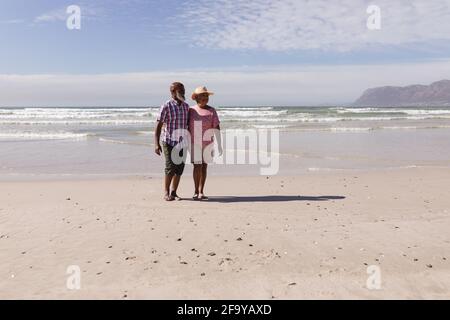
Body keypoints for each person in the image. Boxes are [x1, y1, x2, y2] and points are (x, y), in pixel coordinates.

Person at [154, 82, 189, 201]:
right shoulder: (166, 106)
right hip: (168, 140)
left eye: (183, 90)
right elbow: (158, 125)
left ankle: (174, 192)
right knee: (170, 167)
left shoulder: (186, 106)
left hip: (182, 142)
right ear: (173, 92)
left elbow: (188, 124)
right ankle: (166, 192)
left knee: (179, 168)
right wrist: (156, 143)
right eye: (180, 90)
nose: (183, 92)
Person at [188, 86, 222, 201]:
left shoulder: (211, 110)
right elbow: (186, 125)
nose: (205, 98)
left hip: (208, 143)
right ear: (196, 98)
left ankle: (201, 191)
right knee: (197, 166)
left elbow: (216, 127)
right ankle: (195, 191)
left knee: (204, 167)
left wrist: (219, 143)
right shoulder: (191, 110)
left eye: (206, 96)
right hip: (195, 143)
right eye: (202, 96)